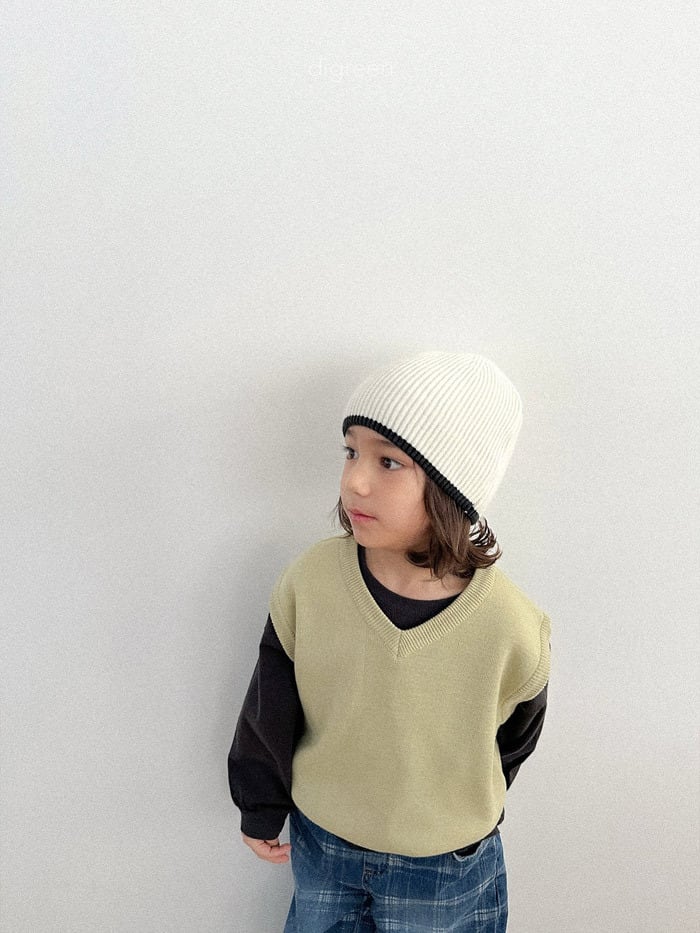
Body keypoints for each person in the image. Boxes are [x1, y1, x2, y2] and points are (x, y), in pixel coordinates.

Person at [228, 351, 551, 932]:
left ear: (453, 487)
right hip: (323, 843)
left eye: (389, 461)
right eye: (351, 452)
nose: (355, 480)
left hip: (443, 868)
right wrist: (260, 804)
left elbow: (512, 740)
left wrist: (450, 811)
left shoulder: (510, 624)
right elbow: (270, 703)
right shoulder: (312, 581)